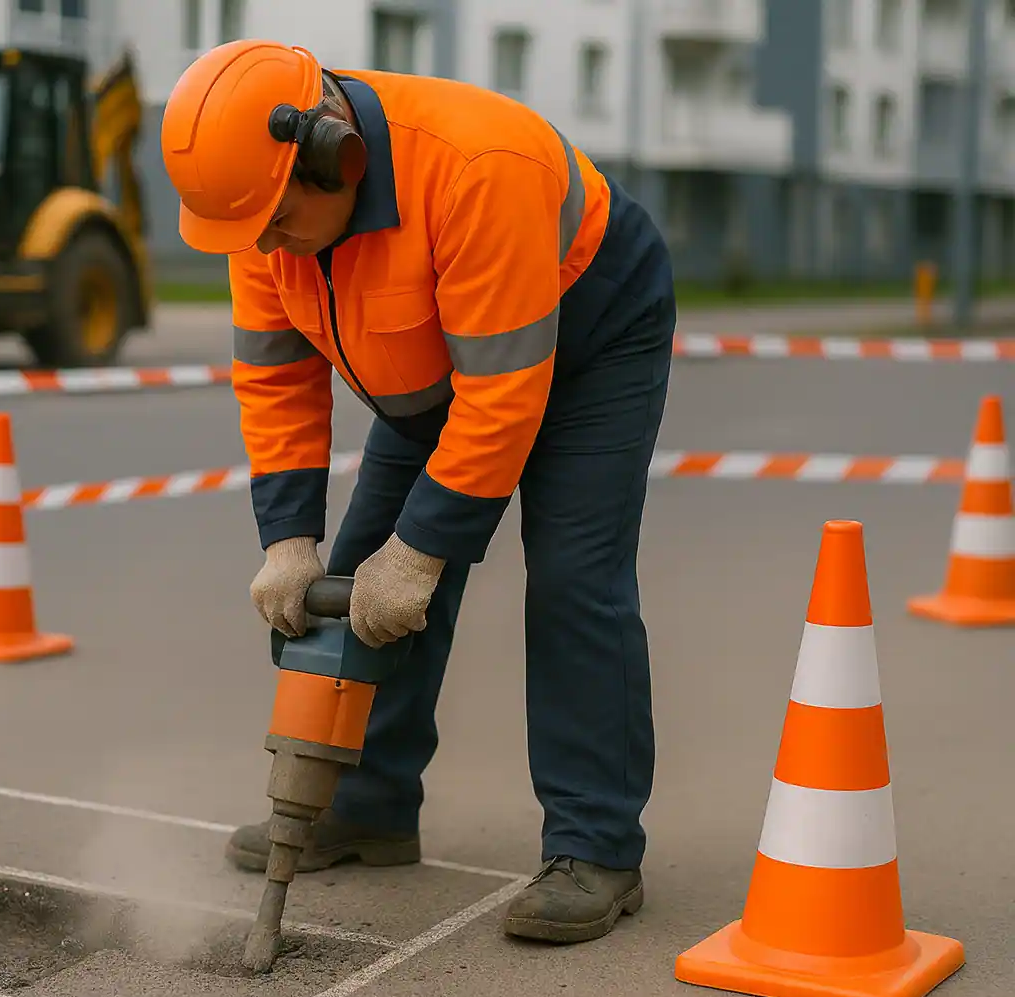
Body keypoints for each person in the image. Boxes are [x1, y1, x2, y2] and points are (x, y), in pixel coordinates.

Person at [159, 39, 674, 945]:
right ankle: (370, 805)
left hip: (591, 341)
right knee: (362, 584)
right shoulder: (260, 207)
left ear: (334, 157)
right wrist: (287, 538)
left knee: (572, 580)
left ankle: (596, 847)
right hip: (441, 362)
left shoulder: (480, 168)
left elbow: (506, 390)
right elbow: (276, 379)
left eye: (277, 223)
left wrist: (427, 547)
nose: (265, 245)